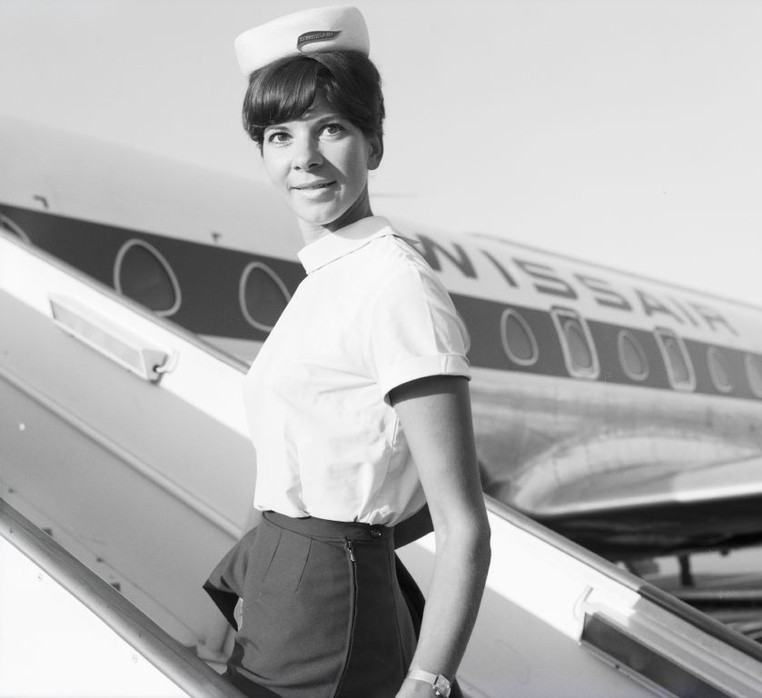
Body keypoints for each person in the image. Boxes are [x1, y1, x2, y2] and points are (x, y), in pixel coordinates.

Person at [203, 7, 491, 698]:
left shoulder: (395, 284)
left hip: (327, 605)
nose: (303, 157)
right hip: (275, 587)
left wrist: (427, 679)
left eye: (331, 127)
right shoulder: (320, 284)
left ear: (374, 143)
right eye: (280, 135)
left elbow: (461, 523)